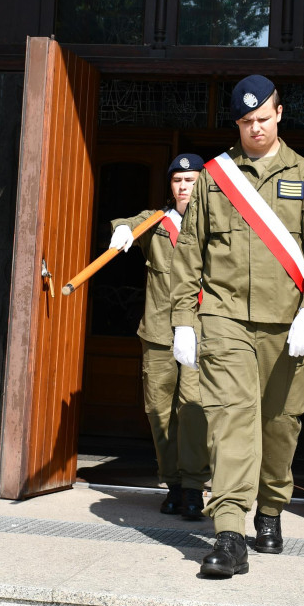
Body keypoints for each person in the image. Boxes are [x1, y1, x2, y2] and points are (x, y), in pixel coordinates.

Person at [169, 75, 304, 577]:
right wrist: (185, 320)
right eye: (246, 122)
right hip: (224, 320)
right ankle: (228, 532)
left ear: (280, 114)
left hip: (286, 324)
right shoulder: (213, 177)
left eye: (263, 119)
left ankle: (270, 508)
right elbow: (189, 255)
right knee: (232, 419)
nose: (256, 129)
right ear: (236, 123)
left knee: (279, 423)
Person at [108, 154, 211, 520]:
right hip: (158, 335)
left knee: (194, 410)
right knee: (160, 411)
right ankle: (174, 485)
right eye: (177, 180)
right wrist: (121, 229)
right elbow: (130, 223)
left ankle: (196, 487)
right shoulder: (157, 222)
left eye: (191, 180)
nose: (184, 187)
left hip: (200, 334)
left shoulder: (216, 224)